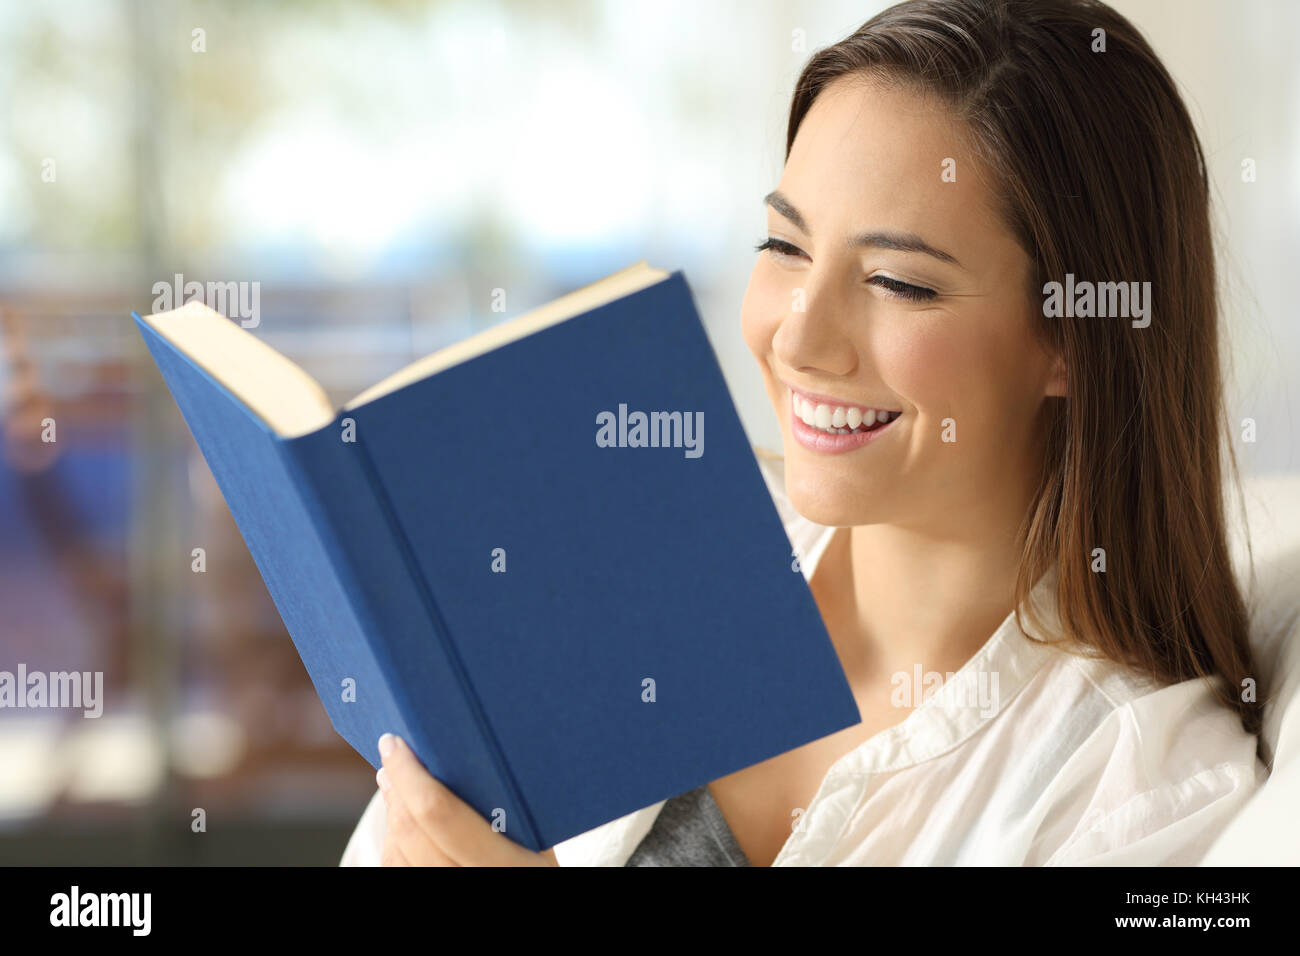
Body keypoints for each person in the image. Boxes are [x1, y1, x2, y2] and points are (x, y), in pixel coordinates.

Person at [341, 0, 1266, 866]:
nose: (796, 337)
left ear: (1074, 334)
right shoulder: (636, 556)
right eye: (784, 247)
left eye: (900, 282)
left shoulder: (1144, 787)